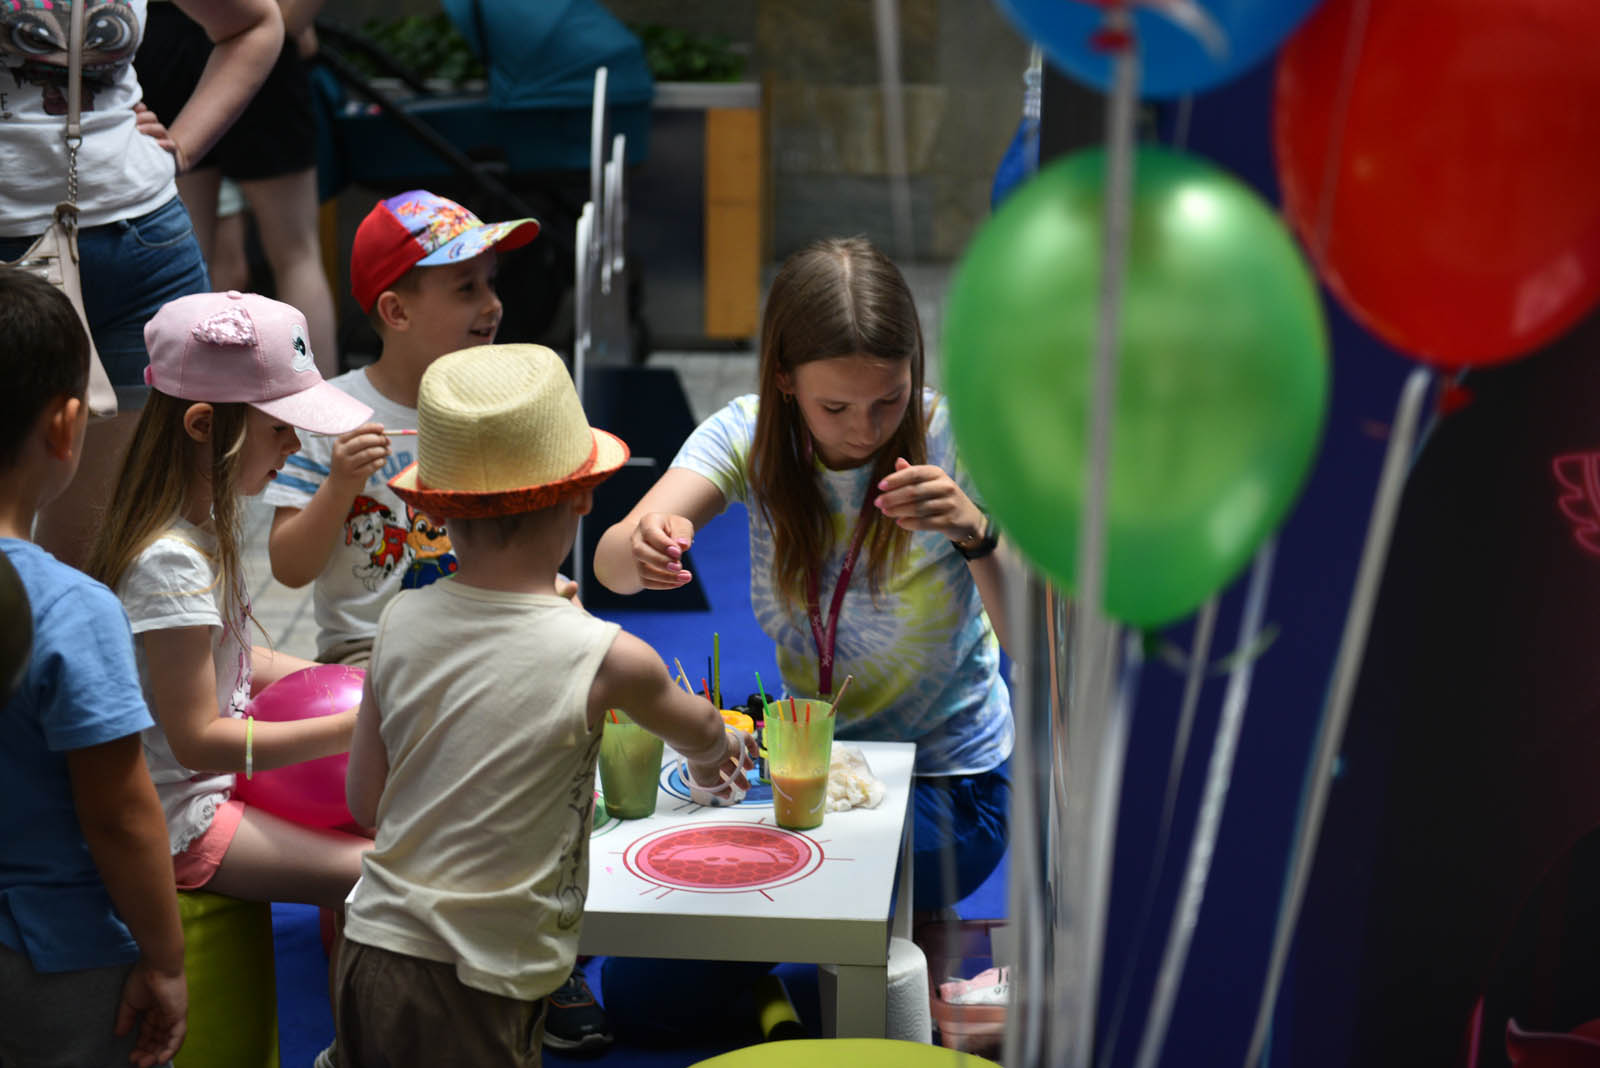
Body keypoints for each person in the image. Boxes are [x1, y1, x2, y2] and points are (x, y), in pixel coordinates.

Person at [592, 237, 1014, 1040]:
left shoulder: (960, 442)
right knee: (643, 994)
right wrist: (645, 541)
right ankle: (826, 973)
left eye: (889, 400)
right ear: (784, 380)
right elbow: (613, 563)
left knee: (806, 930)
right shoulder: (749, 436)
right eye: (835, 408)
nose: (865, 430)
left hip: (950, 791)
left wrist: (977, 532)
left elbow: (1035, 639)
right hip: (810, 776)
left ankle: (870, 954)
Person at [336, 343, 756, 1067]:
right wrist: (720, 750)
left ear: (433, 507)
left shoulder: (397, 624)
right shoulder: (604, 654)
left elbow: (366, 800)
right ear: (585, 494)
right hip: (482, 980)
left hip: (369, 949)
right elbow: (697, 729)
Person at [82, 290, 374, 1061]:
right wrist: (355, 725)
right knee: (384, 876)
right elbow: (200, 739)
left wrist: (381, 685)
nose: (292, 449)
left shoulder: (199, 524)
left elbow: (243, 659)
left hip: (216, 789)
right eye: (280, 431)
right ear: (205, 425)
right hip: (187, 819)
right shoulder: (169, 563)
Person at [0, 0, 285, 569]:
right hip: (13, 265)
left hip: (142, 248)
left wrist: (181, 144)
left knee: (105, 548)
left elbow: (255, 23)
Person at [0, 267, 186, 1067]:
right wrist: (167, 960)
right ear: (67, 426)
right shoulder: (72, 610)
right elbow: (122, 815)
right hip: (56, 956)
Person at [262, 189, 541, 666]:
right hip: (368, 653)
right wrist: (339, 485)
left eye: (491, 283)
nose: (493, 304)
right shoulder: (330, 414)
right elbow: (288, 568)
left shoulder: (501, 404)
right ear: (396, 312)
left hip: (482, 643)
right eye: (466, 288)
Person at [137, 0, 340, 376]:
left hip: (172, 34)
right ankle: (321, 423)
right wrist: (288, 21)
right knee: (296, 254)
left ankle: (184, 416)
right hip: (256, 41)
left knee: (188, 253)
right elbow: (292, 19)